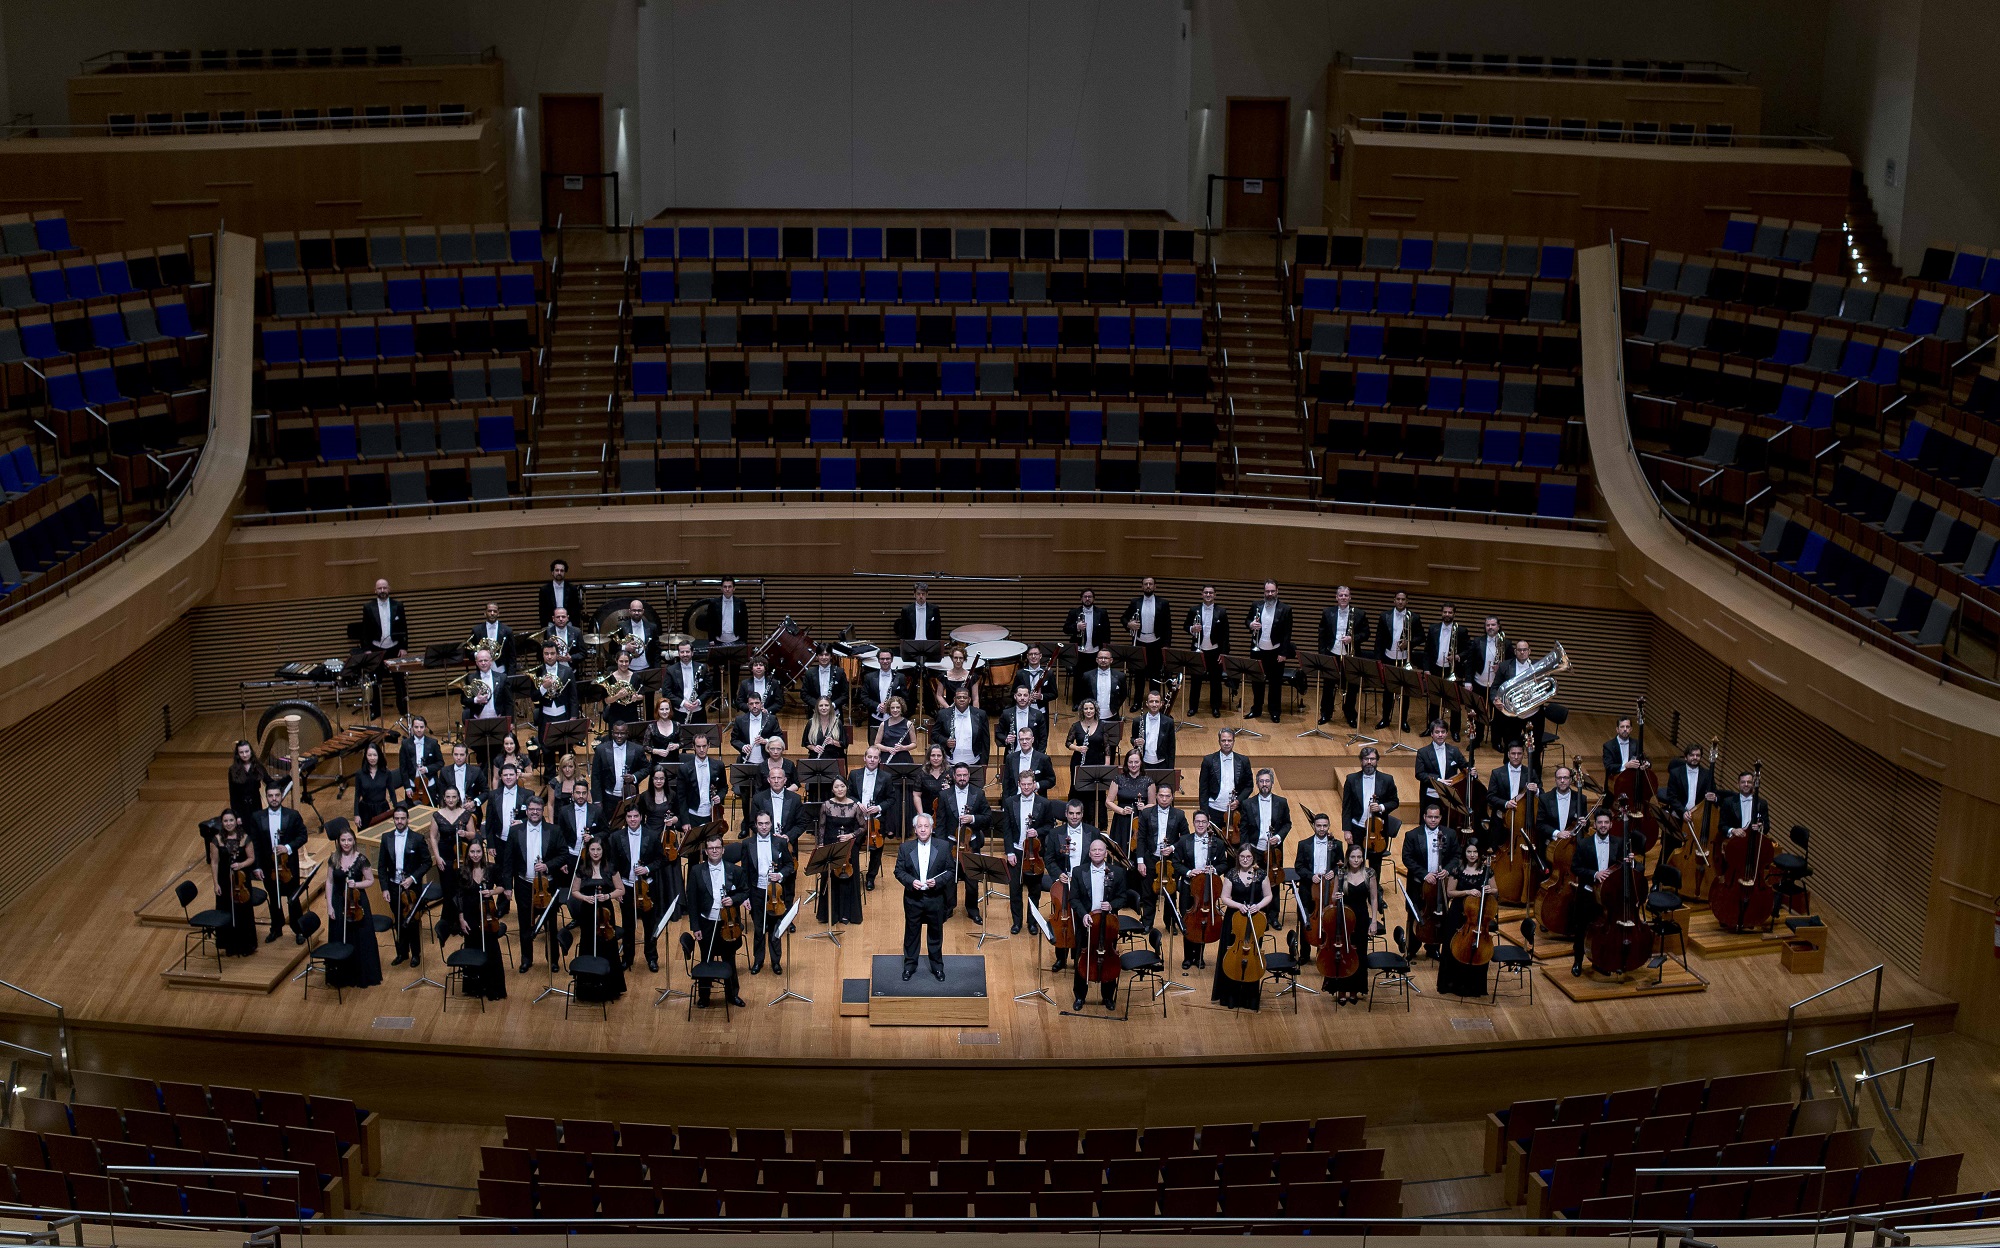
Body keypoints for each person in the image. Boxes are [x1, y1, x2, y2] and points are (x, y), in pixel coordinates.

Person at [1569, 809, 1646, 976]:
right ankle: (1578, 961)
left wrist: (1630, 863)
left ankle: (1600, 962)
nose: (1603, 826)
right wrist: (1594, 874)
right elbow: (1575, 867)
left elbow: (1629, 869)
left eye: (1606, 823)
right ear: (1595, 824)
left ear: (1611, 824)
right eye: (1600, 823)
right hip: (1588, 893)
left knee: (1605, 931)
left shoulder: (1619, 843)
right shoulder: (1584, 844)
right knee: (1582, 928)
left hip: (1610, 898)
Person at [508, 796, 571, 973]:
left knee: (550, 924)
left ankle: (553, 960)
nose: (534, 812)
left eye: (538, 809)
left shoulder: (554, 830)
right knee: (525, 923)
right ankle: (526, 959)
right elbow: (508, 860)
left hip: (548, 885)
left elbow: (564, 854)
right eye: (531, 809)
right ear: (526, 811)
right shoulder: (515, 831)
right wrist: (507, 886)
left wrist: (547, 866)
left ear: (542, 810)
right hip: (524, 885)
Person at [727, 811, 795, 974]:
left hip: (775, 892)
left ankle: (776, 962)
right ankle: (758, 961)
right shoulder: (747, 844)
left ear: (771, 824)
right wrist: (744, 897)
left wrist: (779, 875)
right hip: (756, 891)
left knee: (775, 929)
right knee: (759, 929)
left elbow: (789, 866)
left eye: (766, 823)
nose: (764, 827)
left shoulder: (780, 842)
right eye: (760, 824)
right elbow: (744, 871)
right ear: (756, 825)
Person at [684, 836, 748, 1008]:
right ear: (705, 851)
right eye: (711, 848)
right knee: (706, 959)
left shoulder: (735, 870)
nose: (714, 851)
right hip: (706, 923)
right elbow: (692, 902)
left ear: (723, 849)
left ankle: (732, 994)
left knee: (730, 959)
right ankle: (704, 996)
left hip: (728, 923)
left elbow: (744, 892)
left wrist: (733, 900)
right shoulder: (697, 871)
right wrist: (695, 926)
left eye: (717, 848)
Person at [1067, 837, 1127, 1011]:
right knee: (1081, 959)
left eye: (1100, 850)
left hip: (1108, 924)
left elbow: (1123, 897)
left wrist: (1112, 905)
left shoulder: (1117, 872)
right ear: (1089, 852)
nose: (1097, 853)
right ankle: (1080, 996)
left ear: (1106, 853)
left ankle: (1108, 996)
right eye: (1094, 850)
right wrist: (1084, 914)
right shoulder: (1079, 871)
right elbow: (1074, 898)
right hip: (1087, 922)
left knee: (1109, 957)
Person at [1212, 842, 1272, 1011]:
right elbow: (1225, 897)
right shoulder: (1232, 874)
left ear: (1254, 858)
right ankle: (1230, 996)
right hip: (1235, 922)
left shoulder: (1261, 875)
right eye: (1242, 857)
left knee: (1251, 956)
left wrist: (1258, 906)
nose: (1245, 860)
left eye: (1249, 857)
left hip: (1254, 921)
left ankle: (1249, 998)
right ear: (1238, 857)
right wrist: (1238, 906)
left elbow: (1268, 895)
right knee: (1231, 958)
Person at [568, 837, 627, 1002]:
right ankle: (588, 989)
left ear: (603, 851)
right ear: (588, 851)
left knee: (608, 947)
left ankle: (610, 989)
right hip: (588, 912)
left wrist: (607, 895)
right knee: (588, 944)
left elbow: (621, 890)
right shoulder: (582, 869)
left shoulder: (611, 868)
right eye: (592, 850)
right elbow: (574, 891)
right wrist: (585, 898)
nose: (595, 853)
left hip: (605, 912)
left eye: (598, 850)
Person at [1435, 840, 1496, 998]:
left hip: (1478, 915)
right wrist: (1468, 892)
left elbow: (1496, 890)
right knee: (1453, 946)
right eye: (1469, 852)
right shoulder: (1458, 870)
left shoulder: (1486, 871)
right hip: (1458, 913)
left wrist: (1490, 889)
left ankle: (1474, 985)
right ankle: (1452, 984)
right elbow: (1450, 893)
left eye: (1475, 852)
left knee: (1477, 947)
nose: (1472, 855)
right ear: (1465, 853)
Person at [1399, 804, 1461, 959]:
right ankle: (1411, 948)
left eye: (1436, 817)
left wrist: (1446, 869)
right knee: (1416, 914)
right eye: (1430, 817)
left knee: (1438, 915)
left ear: (1440, 818)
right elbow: (1407, 858)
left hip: (1440, 884)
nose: (1433, 820)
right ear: (1424, 817)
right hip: (1419, 883)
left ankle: (1433, 947)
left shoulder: (1450, 834)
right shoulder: (1412, 835)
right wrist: (1424, 874)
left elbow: (1456, 855)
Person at [999, 769, 1056, 934]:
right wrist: (1009, 852)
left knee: (1034, 890)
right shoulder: (1010, 802)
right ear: (1019, 784)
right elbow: (1007, 830)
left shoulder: (1044, 803)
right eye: (1023, 784)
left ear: (1034, 784)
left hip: (1035, 853)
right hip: (1016, 851)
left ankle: (1032, 922)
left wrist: (1037, 832)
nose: (1026, 787)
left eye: (1029, 784)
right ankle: (1017, 922)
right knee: (1015, 889)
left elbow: (1049, 825)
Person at [325, 827, 383, 989]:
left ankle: (361, 975)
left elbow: (370, 880)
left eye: (349, 840)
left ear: (354, 841)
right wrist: (329, 905)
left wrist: (356, 884)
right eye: (343, 840)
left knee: (360, 938)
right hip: (338, 902)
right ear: (338, 842)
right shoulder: (333, 858)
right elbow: (329, 882)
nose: (346, 843)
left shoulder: (361, 859)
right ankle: (342, 977)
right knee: (340, 936)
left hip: (357, 902)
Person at [896, 815, 952, 981]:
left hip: (935, 898)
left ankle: (937, 967)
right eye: (919, 826)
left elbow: (951, 871)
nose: (922, 829)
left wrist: (938, 881)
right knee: (912, 933)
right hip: (913, 899)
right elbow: (898, 871)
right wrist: (911, 881)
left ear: (931, 828)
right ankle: (909, 966)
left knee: (935, 933)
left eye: (926, 826)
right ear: (915, 829)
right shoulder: (905, 848)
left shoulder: (943, 846)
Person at [609, 805, 664, 972]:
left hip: (647, 887)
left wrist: (646, 869)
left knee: (650, 924)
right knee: (628, 925)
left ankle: (651, 958)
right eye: (629, 816)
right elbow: (612, 865)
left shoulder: (652, 835)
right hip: (626, 886)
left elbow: (660, 860)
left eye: (636, 816)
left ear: (641, 817)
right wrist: (617, 888)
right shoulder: (616, 837)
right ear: (625, 818)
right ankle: (627, 958)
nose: (632, 819)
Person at [377, 806, 433, 969]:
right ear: (393, 820)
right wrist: (384, 888)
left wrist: (412, 878)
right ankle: (402, 953)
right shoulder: (386, 838)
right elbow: (381, 866)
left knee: (413, 921)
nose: (400, 821)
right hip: (394, 887)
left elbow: (427, 862)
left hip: (411, 888)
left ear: (407, 819)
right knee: (398, 920)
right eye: (397, 818)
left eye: (402, 818)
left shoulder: (417, 838)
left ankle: (416, 954)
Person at [1323, 840, 1379, 1003]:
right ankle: (1341, 989)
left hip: (1361, 918)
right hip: (1342, 917)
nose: (1356, 860)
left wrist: (1374, 921)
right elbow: (1333, 896)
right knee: (1341, 952)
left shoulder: (1370, 874)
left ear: (1363, 858)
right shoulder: (1341, 873)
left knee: (1359, 953)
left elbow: (1374, 898)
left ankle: (1355, 989)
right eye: (1353, 857)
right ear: (1348, 858)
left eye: (1359, 857)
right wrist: (1337, 896)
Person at [250, 784, 307, 944]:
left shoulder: (293, 815)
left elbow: (303, 835)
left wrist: (287, 847)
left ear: (281, 796)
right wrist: (257, 866)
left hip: (289, 867)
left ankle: (298, 930)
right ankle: (276, 928)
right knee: (274, 899)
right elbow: (256, 844)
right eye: (270, 796)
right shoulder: (257, 817)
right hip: (269, 868)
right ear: (266, 797)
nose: (274, 799)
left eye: (276, 795)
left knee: (293, 900)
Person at [455, 839, 509, 1001]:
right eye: (472, 852)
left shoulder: (491, 869)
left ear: (482, 853)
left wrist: (491, 893)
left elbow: (502, 886)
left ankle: (494, 988)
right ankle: (475, 988)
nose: (475, 855)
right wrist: (461, 919)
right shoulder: (462, 872)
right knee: (473, 949)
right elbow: (458, 897)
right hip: (470, 917)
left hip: (488, 916)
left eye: (478, 852)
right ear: (468, 854)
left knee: (492, 951)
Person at [936, 762, 990, 923]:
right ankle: (948, 908)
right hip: (951, 844)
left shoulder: (978, 794)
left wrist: (973, 818)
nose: (961, 778)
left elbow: (987, 818)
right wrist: (940, 846)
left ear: (969, 776)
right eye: (958, 775)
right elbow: (940, 823)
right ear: (954, 776)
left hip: (971, 845)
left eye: (964, 775)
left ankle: (972, 909)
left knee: (972, 880)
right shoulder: (944, 795)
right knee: (950, 879)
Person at [1175, 810, 1228, 970]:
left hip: (1206, 888)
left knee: (1203, 921)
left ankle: (1199, 957)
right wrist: (1189, 872)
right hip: (1188, 887)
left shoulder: (1217, 843)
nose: (1200, 824)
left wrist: (1214, 870)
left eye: (1203, 822)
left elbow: (1224, 863)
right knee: (1188, 920)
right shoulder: (1184, 841)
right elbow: (1176, 862)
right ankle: (1187, 957)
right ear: (1193, 822)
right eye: (1197, 821)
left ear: (1208, 823)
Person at [1133, 784, 1187, 932]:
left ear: (1172, 797)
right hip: (1151, 857)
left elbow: (1186, 838)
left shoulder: (1180, 814)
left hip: (1171, 861)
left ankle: (1170, 923)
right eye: (1161, 796)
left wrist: (1173, 848)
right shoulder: (1146, 813)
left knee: (1171, 893)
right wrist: (1140, 862)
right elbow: (1141, 839)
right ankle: (1147, 923)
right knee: (1148, 892)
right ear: (1156, 796)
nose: (1164, 799)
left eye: (1167, 796)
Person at [1341, 746, 1403, 878]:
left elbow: (1394, 801)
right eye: (1366, 759)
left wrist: (1381, 807)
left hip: (1378, 830)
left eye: (1372, 759)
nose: (1369, 762)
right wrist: (1346, 830)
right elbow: (1346, 807)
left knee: (1375, 864)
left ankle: (1374, 893)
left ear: (1377, 761)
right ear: (1361, 761)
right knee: (1354, 862)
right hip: (1357, 827)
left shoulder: (1387, 779)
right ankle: (1354, 890)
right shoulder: (1351, 779)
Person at [1241, 768, 1292, 926]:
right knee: (1255, 882)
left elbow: (1287, 824)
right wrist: (1246, 849)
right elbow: (1243, 828)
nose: (1264, 784)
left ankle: (1273, 916)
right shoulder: (1247, 804)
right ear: (1257, 783)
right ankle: (1258, 915)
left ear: (1272, 783)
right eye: (1261, 781)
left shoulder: (1281, 802)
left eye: (1267, 781)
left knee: (1274, 883)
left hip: (1274, 851)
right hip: (1255, 849)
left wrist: (1278, 837)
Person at [355, 578, 411, 716]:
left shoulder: (398, 605)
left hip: (394, 648)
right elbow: (365, 631)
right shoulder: (368, 607)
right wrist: (367, 649)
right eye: (379, 588)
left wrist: (404, 647)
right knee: (375, 681)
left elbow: (404, 628)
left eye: (384, 588)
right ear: (375, 590)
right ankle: (376, 711)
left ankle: (403, 710)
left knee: (399, 681)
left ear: (389, 589)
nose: (382, 591)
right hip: (376, 649)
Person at [1315, 585, 1369, 728]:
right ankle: (1326, 713)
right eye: (1341, 595)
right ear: (1336, 597)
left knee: (1351, 687)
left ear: (1350, 597)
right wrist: (1322, 653)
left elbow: (1366, 634)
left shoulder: (1359, 614)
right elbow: (1322, 633)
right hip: (1332, 653)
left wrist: (1353, 638)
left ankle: (1350, 714)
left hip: (1350, 655)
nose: (1343, 597)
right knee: (1328, 685)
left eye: (1346, 595)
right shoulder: (1328, 612)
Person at [815, 777, 865, 925]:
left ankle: (847, 914)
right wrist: (821, 846)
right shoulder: (826, 805)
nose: (840, 789)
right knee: (829, 879)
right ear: (832, 789)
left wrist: (851, 835)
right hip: (831, 846)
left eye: (842, 786)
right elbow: (822, 828)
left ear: (846, 787)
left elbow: (863, 827)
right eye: (836, 787)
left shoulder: (855, 806)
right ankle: (831, 914)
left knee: (849, 879)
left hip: (849, 847)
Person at [212, 812, 261, 958]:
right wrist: (215, 883)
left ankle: (246, 945)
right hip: (224, 881)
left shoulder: (244, 837)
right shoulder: (216, 840)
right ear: (222, 822)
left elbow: (251, 858)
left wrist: (240, 864)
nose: (228, 823)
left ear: (236, 821)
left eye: (231, 820)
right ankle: (229, 945)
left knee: (243, 911)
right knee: (227, 910)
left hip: (241, 880)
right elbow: (214, 863)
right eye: (225, 821)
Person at [849, 745, 898, 890]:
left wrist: (879, 807)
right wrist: (858, 804)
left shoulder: (886, 777)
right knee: (853, 847)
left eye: (875, 757)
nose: (872, 760)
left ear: (879, 760)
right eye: (869, 757)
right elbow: (848, 794)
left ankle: (871, 878)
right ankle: (854, 876)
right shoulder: (854, 774)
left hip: (877, 820)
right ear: (864, 758)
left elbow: (892, 798)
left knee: (876, 850)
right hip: (857, 819)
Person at [1244, 581, 1294, 723]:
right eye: (1267, 591)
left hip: (1275, 651)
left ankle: (1274, 711)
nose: (1270, 594)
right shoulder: (1256, 605)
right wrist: (1250, 624)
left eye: (1272, 591)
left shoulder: (1285, 609)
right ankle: (1256, 709)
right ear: (1264, 592)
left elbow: (1287, 634)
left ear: (1277, 591)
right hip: (1257, 650)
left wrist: (1283, 653)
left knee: (1275, 683)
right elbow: (1247, 620)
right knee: (1257, 682)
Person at [1374, 590, 1423, 733]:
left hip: (1404, 658)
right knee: (1388, 691)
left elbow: (1421, 637)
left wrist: (1408, 643)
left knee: (1405, 692)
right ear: (1394, 600)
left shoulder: (1414, 617)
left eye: (1403, 599)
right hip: (1388, 657)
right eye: (1398, 599)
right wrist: (1379, 661)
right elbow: (1379, 639)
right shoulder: (1385, 616)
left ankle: (1403, 721)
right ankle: (1385, 718)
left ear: (1407, 601)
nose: (1400, 602)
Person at [429, 786, 476, 932]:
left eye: (454, 797)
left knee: (461, 887)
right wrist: (437, 857)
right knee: (448, 888)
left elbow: (473, 834)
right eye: (448, 797)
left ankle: (462, 920)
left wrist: (465, 834)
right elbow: (432, 837)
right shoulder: (437, 815)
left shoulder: (465, 814)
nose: (451, 800)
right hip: (444, 856)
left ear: (458, 798)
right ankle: (449, 921)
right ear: (444, 798)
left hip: (461, 855)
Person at [1064, 698, 1116, 824]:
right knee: (1078, 789)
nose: (1088, 711)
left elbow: (1107, 746)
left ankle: (1096, 821)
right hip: (1079, 763)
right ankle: (1078, 818)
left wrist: (1106, 765)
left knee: (1096, 791)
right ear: (1082, 710)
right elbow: (1068, 743)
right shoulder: (1076, 726)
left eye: (1091, 708)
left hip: (1097, 761)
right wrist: (1078, 748)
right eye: (1086, 708)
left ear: (1095, 710)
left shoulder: (1102, 726)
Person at [1183, 585, 1231, 718]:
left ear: (1215, 595)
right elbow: (1185, 626)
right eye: (1206, 592)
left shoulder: (1222, 611)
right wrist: (1192, 628)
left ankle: (1215, 707)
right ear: (1202, 594)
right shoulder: (1194, 610)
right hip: (1198, 650)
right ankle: (1193, 708)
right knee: (1195, 681)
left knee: (1216, 681)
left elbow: (1226, 634)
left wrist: (1224, 652)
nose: (1208, 595)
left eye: (1211, 593)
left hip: (1215, 651)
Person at [1198, 729, 1254, 831]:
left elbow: (1249, 786)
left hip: (1235, 811)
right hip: (1214, 809)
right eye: (1223, 740)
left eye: (1229, 740)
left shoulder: (1243, 761)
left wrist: (1238, 801)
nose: (1226, 743)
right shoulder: (1208, 761)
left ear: (1234, 741)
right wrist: (1204, 813)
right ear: (1219, 741)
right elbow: (1203, 789)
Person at [1123, 576, 1171, 693]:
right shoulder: (1135, 602)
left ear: (1155, 586)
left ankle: (1154, 699)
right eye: (1146, 584)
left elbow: (1168, 626)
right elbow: (1123, 618)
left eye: (1150, 584)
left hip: (1156, 643)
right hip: (1139, 642)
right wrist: (1129, 624)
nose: (1148, 586)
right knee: (1139, 673)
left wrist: (1166, 645)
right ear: (1142, 587)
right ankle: (1137, 701)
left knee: (1155, 674)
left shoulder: (1163, 603)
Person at [1104, 750, 1152, 858]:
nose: (1133, 765)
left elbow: (1153, 804)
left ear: (1141, 763)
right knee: (1120, 852)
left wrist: (1144, 807)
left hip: (1140, 821)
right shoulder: (1118, 779)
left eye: (1136, 762)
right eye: (1130, 762)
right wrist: (1121, 811)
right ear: (1126, 763)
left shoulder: (1148, 781)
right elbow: (1108, 802)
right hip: (1122, 821)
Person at [1413, 720, 1469, 808]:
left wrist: (1471, 771)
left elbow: (1465, 767)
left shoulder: (1454, 751)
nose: (1440, 735)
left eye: (1443, 732)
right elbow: (1420, 774)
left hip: (1450, 795)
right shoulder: (1423, 752)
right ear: (1431, 734)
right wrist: (1438, 780)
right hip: (1431, 795)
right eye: (1437, 732)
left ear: (1447, 733)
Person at [1062, 589, 1111, 687]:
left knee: (1094, 679)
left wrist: (1104, 650)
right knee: (1078, 679)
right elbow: (1065, 629)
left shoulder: (1102, 613)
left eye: (1090, 597)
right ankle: (1077, 701)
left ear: (1094, 599)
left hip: (1095, 652)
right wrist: (1076, 627)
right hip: (1079, 652)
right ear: (1081, 599)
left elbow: (1107, 633)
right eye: (1085, 597)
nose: (1087, 599)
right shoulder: (1073, 612)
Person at [933, 686, 990, 770]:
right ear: (954, 699)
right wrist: (946, 741)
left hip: (974, 762)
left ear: (969, 699)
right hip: (950, 762)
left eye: (965, 697)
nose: (962, 699)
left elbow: (986, 740)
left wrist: (984, 763)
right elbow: (934, 734)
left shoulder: (980, 714)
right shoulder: (943, 714)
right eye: (959, 697)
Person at [398, 716, 444, 804]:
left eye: (421, 727)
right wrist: (407, 787)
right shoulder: (405, 744)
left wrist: (427, 769)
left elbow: (440, 763)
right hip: (412, 785)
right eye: (416, 727)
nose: (419, 730)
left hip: (429, 784)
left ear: (425, 728)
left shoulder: (433, 743)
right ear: (412, 728)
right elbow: (403, 768)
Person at [226, 740, 273, 826]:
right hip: (241, 808)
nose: (244, 755)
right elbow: (233, 795)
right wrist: (237, 816)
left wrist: (288, 779)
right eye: (241, 752)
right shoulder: (232, 770)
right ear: (238, 754)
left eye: (246, 751)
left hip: (256, 805)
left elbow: (269, 782)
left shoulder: (258, 766)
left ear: (251, 751)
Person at [1074, 647, 1128, 720]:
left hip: (1112, 715)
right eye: (1100, 658)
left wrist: (1115, 707)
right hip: (1091, 716)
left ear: (1111, 660)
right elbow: (1081, 695)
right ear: (1096, 660)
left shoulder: (1120, 676)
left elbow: (1123, 694)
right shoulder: (1087, 676)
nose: (1103, 660)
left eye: (1106, 658)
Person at [894, 583, 943, 661]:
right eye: (918, 594)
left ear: (927, 594)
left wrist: (936, 648)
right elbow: (903, 632)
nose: (921, 596)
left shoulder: (934, 609)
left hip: (930, 647)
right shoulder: (906, 610)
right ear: (914, 595)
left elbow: (938, 631)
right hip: (911, 647)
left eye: (923, 594)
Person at [998, 684, 1048, 757]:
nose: (1022, 698)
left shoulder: (1038, 714)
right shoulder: (1006, 713)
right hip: (1012, 755)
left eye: (1025, 695)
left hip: (1033, 756)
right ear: (1015, 696)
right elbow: (998, 733)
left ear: (1029, 697)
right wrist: (1006, 739)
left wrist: (1039, 756)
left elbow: (1043, 738)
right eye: (1019, 695)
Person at [1131, 689, 1176, 769]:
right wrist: (1135, 741)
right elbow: (1133, 738)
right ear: (1147, 704)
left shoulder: (1169, 722)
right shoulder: (1137, 721)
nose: (1154, 704)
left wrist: (1170, 769)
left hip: (1162, 764)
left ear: (1161, 704)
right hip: (1143, 763)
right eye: (1151, 701)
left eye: (1157, 701)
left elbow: (1171, 748)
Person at [855, 650, 904, 725]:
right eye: (882, 659)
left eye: (888, 659)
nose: (885, 661)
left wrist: (894, 707)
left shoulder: (900, 677)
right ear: (878, 660)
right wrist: (877, 706)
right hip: (875, 717)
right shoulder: (869, 677)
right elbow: (864, 697)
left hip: (895, 717)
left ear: (892, 660)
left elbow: (905, 698)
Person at [468, 601, 517, 673]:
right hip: (482, 671)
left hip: (502, 671)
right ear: (485, 613)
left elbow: (512, 656)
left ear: (498, 613)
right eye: (489, 611)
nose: (492, 613)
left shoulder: (507, 631)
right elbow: (469, 651)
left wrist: (511, 676)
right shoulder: (477, 631)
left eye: (495, 611)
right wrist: (479, 655)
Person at [352, 743, 393, 829]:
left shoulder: (386, 773)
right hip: (365, 810)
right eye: (369, 755)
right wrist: (356, 814)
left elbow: (392, 793)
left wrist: (396, 811)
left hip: (382, 808)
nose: (372, 758)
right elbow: (357, 795)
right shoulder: (359, 774)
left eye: (375, 755)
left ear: (379, 756)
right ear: (365, 756)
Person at [538, 558, 586, 628]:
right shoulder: (544, 590)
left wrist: (574, 626)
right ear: (552, 572)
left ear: (564, 573)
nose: (559, 573)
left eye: (562, 571)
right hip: (551, 625)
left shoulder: (572, 589)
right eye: (557, 570)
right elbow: (542, 612)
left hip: (568, 624)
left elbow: (576, 611)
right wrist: (545, 627)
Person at [801, 645, 851, 712]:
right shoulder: (809, 673)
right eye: (821, 655)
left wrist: (833, 704)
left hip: (834, 711)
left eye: (826, 655)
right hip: (815, 711)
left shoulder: (840, 672)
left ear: (831, 656)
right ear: (817, 657)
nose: (824, 657)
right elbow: (804, 694)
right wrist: (818, 705)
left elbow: (845, 694)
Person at [442, 744, 485, 813]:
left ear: (467, 755)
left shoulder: (476, 771)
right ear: (452, 755)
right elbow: (441, 792)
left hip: (471, 811)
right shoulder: (444, 771)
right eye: (456, 754)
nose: (458, 758)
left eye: (462, 755)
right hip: (450, 811)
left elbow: (486, 791)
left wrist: (474, 802)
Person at [875, 695, 915, 764]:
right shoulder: (883, 724)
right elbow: (876, 744)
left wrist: (903, 748)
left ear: (901, 708)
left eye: (898, 707)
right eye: (892, 708)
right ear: (889, 709)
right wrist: (888, 749)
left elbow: (914, 744)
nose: (895, 710)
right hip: (886, 758)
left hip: (903, 759)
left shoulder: (909, 724)